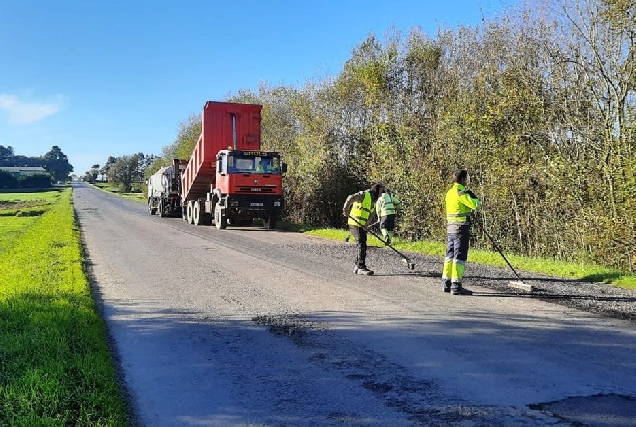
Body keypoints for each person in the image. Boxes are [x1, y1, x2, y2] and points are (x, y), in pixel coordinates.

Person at [442, 169, 480, 295]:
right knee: (459, 256)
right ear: (463, 179)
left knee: (450, 255)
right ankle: (456, 285)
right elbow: (475, 205)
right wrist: (473, 196)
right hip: (461, 228)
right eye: (466, 179)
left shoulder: (449, 193)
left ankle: (446, 282)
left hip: (450, 228)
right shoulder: (461, 193)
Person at [343, 182, 383, 275]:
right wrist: (345, 209)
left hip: (361, 225)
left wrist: (366, 225)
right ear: (376, 190)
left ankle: (358, 266)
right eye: (380, 192)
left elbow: (370, 215)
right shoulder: (364, 195)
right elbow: (351, 197)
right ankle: (360, 266)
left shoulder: (373, 200)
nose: (381, 194)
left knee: (362, 243)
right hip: (354, 223)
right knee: (362, 243)